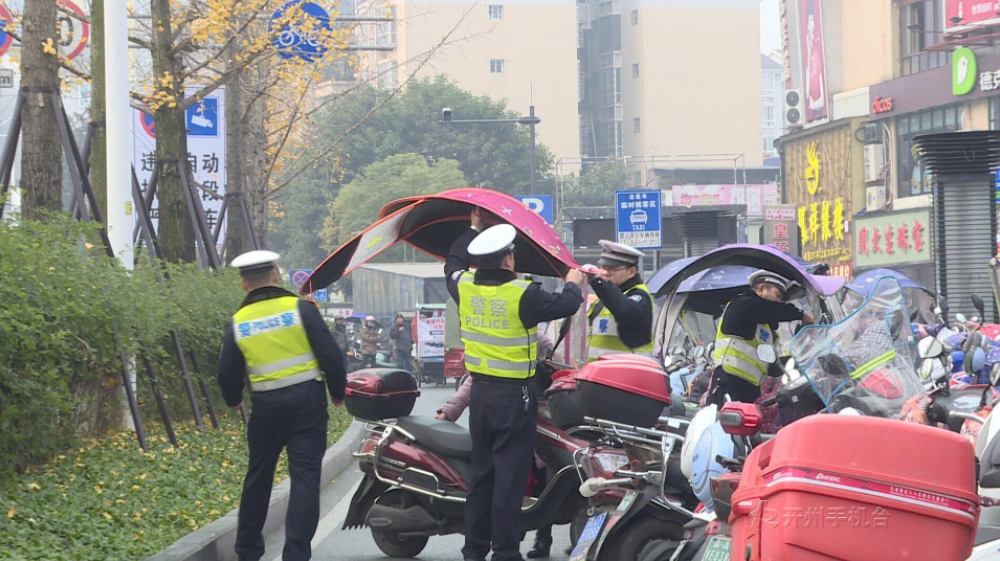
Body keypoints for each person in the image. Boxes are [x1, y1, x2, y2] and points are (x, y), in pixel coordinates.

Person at [446, 210, 585, 561]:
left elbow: (453, 261)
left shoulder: (462, 286)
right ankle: (505, 552)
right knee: (508, 481)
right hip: (514, 399)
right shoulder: (523, 294)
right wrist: (574, 280)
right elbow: (568, 303)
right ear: (509, 258)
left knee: (482, 478)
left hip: (479, 396)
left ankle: (473, 550)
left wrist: (473, 227)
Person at [216, 250, 347, 561]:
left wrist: (233, 399)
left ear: (244, 284)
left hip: (266, 410)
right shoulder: (300, 309)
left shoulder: (238, 322)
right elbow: (330, 355)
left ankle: (247, 551)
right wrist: (337, 392)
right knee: (304, 478)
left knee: (258, 477)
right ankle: (296, 554)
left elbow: (227, 373)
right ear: (276, 276)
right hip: (308, 407)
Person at [707, 270, 813, 406]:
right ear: (762, 289)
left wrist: (801, 360)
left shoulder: (766, 329)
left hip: (751, 390)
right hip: (728, 383)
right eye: (778, 295)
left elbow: (771, 365)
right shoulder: (741, 304)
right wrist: (801, 315)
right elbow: (769, 309)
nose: (779, 302)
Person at [586, 240, 655, 362]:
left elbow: (625, 312)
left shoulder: (639, 296)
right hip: (599, 373)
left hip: (629, 373)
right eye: (603, 268)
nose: (606, 274)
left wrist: (597, 282)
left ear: (631, 272)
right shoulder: (605, 296)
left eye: (612, 269)